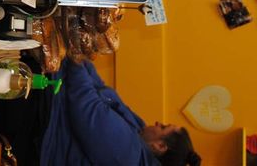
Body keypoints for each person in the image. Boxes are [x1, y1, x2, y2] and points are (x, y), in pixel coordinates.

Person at [41, 59, 201, 166]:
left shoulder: (128, 155)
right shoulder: (139, 129)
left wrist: (75, 58)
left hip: (46, 120)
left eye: (163, 127)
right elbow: (102, 89)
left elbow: (85, 104)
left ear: (159, 146)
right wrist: (83, 58)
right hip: (58, 88)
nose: (158, 122)